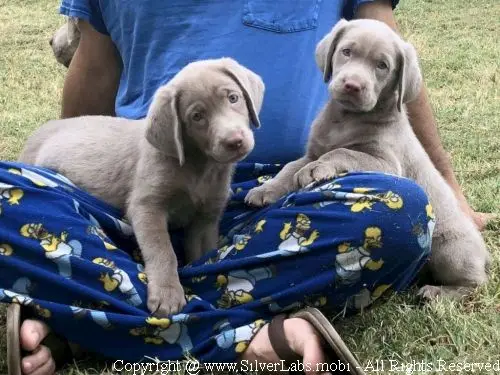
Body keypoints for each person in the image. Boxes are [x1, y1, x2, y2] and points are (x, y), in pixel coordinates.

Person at [0, 1, 491, 375]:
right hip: (146, 183)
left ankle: (87, 314)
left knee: (400, 210)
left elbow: (390, 55)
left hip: (294, 198)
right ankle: (249, 335)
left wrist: (449, 190)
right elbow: (94, 73)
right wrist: (67, 207)